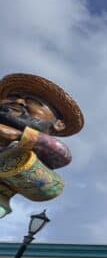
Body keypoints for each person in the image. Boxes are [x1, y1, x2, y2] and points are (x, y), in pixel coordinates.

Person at [0, 73, 84, 218]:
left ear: (59, 124)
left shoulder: (26, 145)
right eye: (13, 97)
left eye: (32, 101)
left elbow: (62, 153)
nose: (18, 102)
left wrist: (21, 136)